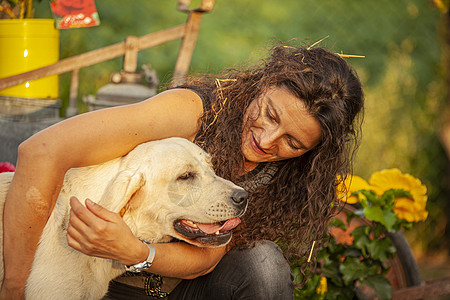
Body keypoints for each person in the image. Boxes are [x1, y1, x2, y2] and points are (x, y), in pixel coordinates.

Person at [0, 41, 364, 299]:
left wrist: (136, 251)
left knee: (264, 264)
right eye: (269, 114)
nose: (268, 140)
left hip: (167, 281)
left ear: (309, 155)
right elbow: (41, 151)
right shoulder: (190, 113)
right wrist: (15, 288)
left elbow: (207, 258)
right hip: (95, 275)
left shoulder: (280, 175)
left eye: (293, 143)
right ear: (264, 84)